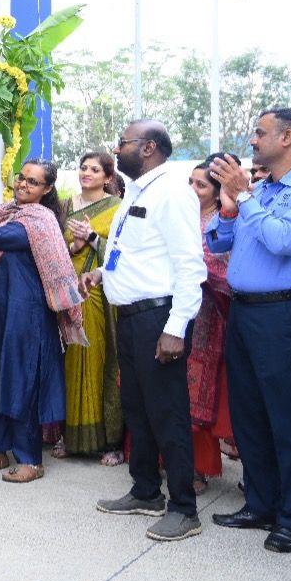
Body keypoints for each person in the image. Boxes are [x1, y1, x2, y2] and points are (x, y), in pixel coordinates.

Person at [205, 108, 291, 554]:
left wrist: (245, 199)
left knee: (287, 417)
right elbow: (218, 242)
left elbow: (283, 240)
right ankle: (260, 504)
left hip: (288, 312)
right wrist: (230, 210)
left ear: (287, 138)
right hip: (245, 311)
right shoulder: (261, 190)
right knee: (249, 414)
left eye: (260, 132)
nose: (252, 140)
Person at [88, 121, 206, 543]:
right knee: (137, 409)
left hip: (158, 319)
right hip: (130, 318)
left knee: (167, 413)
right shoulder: (137, 192)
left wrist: (176, 328)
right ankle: (145, 491)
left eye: (123, 142)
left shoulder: (173, 192)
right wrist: (102, 274)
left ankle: (184, 508)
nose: (116, 148)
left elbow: (190, 265)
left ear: (149, 147)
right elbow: (130, 253)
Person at [0, 161, 86, 484]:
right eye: (22, 178)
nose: (23, 184)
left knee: (20, 379)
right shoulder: (4, 211)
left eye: (33, 182)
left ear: (46, 189)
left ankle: (30, 459)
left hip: (24, 313)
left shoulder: (38, 221)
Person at [57, 151, 125, 465]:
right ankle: (72, 437)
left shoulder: (117, 207)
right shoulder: (66, 206)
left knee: (98, 359)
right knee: (70, 361)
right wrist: (75, 245)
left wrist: (94, 238)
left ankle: (109, 441)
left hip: (97, 291)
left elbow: (122, 253)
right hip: (66, 290)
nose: (86, 173)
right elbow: (53, 248)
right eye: (83, 167)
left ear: (107, 177)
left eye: (95, 170)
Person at [187, 154, 238, 493]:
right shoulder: (178, 216)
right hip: (170, 311)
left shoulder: (223, 222)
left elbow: (225, 270)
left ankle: (197, 468)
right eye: (190, 182)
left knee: (198, 392)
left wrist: (192, 265)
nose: (192, 189)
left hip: (208, 316)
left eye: (201, 185)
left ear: (218, 192)